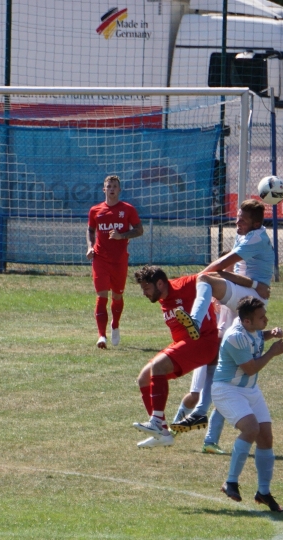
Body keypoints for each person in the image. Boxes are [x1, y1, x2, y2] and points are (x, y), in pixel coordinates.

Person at [171, 199, 274, 454]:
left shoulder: (255, 238)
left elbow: (222, 267)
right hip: (240, 301)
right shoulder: (248, 236)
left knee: (225, 372)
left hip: (250, 302)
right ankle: (202, 433)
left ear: (256, 223)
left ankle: (195, 416)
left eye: (241, 219)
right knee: (219, 366)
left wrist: (203, 279)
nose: (236, 221)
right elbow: (234, 269)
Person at [215, 297, 283, 512]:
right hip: (227, 389)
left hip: (250, 390)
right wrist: (272, 352)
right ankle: (230, 482)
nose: (266, 319)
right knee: (251, 429)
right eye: (261, 318)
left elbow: (258, 335)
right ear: (247, 322)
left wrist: (270, 334)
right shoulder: (235, 337)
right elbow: (250, 368)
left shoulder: (249, 328)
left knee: (266, 438)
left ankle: (264, 492)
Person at [132, 266, 220, 447]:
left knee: (158, 366)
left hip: (204, 342)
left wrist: (246, 282)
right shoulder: (162, 297)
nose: (144, 293)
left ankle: (156, 422)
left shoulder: (184, 285)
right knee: (143, 379)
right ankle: (163, 433)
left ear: (160, 283)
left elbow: (209, 274)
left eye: (146, 288)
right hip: (186, 344)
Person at [86, 174, 143, 348]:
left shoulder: (127, 209)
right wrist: (90, 247)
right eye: (108, 186)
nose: (111, 189)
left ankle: (115, 325)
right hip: (100, 259)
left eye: (114, 186)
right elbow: (90, 230)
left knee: (117, 296)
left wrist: (122, 236)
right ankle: (101, 336)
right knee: (101, 295)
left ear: (119, 190)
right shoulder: (95, 210)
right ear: (104, 189)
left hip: (119, 260)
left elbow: (139, 230)